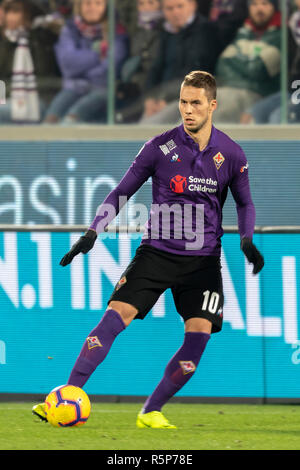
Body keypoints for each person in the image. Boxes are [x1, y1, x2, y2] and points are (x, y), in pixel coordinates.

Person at [32, 70, 264, 429]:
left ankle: (151, 410)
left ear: (212, 105)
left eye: (196, 103)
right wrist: (93, 232)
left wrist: (246, 239)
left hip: (203, 262)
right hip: (156, 253)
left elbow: (245, 204)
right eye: (183, 102)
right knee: (114, 317)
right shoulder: (159, 147)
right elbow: (121, 191)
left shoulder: (232, 154)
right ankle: (64, 395)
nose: (188, 110)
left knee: (196, 343)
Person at [116, 0, 220, 124]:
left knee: (149, 124)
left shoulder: (208, 31)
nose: (175, 12)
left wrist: (165, 99)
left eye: (180, 6)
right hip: (161, 97)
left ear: (192, 5)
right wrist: (149, 98)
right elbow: (155, 69)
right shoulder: (166, 33)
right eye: (169, 9)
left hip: (188, 100)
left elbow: (200, 77)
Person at [43, 0, 128, 124]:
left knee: (71, 119)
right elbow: (67, 64)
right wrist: (98, 55)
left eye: (98, 3)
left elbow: (109, 69)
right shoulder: (70, 29)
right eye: (87, 3)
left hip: (103, 90)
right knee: (49, 120)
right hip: (73, 88)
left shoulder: (117, 32)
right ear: (80, 6)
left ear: (106, 7)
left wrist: (80, 71)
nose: (92, 8)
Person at [212, 0, 281, 123]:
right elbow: (222, 64)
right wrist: (247, 63)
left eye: (264, 4)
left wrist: (237, 57)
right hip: (230, 89)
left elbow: (258, 71)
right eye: (254, 4)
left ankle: (203, 141)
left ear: (273, 7)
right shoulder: (243, 31)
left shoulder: (281, 34)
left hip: (260, 93)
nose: (259, 8)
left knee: (226, 105)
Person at [0, 0, 60, 123]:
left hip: (38, 99)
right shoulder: (6, 42)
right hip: (9, 99)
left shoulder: (41, 39)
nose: (10, 17)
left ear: (28, 15)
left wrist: (33, 35)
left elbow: (43, 74)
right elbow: (2, 80)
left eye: (15, 11)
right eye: (7, 12)